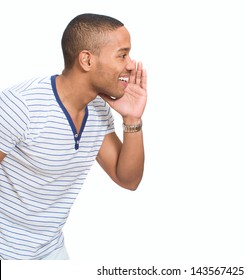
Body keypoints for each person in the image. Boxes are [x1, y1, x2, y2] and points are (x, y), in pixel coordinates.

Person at [0, 13, 147, 260]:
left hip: (51, 248)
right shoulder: (20, 105)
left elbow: (128, 180)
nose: (131, 65)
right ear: (87, 60)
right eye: (122, 55)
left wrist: (132, 120)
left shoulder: (99, 109)